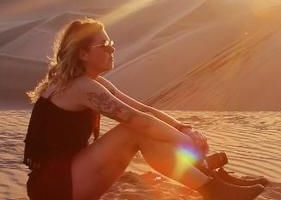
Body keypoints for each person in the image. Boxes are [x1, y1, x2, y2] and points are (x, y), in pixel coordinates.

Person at [23, 18, 266, 200]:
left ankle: (212, 180)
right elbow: (139, 121)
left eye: (112, 43)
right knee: (135, 131)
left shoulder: (90, 82)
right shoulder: (81, 87)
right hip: (53, 186)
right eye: (105, 45)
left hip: (68, 175)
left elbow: (142, 109)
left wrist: (184, 128)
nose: (112, 49)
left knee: (144, 129)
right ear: (83, 53)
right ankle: (213, 190)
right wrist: (186, 142)